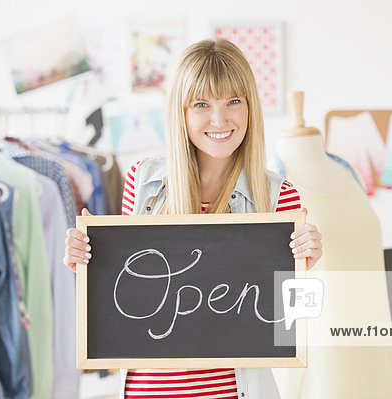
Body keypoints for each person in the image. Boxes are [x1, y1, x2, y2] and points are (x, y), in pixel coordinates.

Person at [63, 39, 323, 399]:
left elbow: (286, 324)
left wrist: (305, 273)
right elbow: (131, 296)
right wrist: (90, 266)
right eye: (202, 104)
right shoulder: (142, 180)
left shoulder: (279, 195)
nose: (220, 119)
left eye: (233, 101)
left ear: (250, 107)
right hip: (147, 390)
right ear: (181, 111)